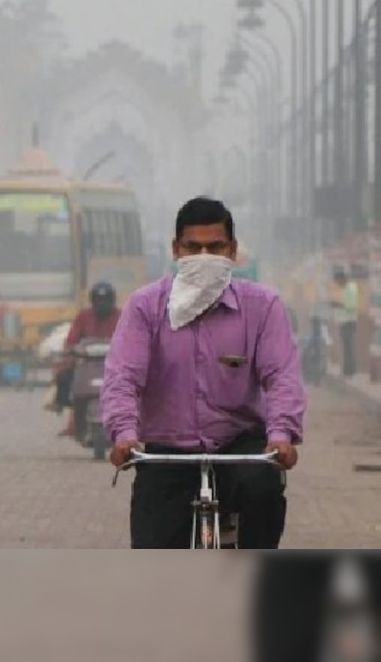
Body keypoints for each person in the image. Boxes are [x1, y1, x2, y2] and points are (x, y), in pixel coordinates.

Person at [102, 196, 306, 549]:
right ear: (176, 250)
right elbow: (123, 376)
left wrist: (282, 434)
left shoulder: (263, 306)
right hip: (167, 451)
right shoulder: (145, 307)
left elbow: (281, 376)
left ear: (232, 251)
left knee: (265, 493)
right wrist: (123, 433)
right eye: (193, 247)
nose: (204, 256)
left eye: (214, 247)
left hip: (239, 446)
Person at [50, 282, 121, 438]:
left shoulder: (121, 316)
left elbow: (131, 337)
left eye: (106, 300)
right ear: (93, 301)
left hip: (115, 364)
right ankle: (64, 404)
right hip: (86, 363)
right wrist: (72, 349)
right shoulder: (83, 317)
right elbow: (71, 339)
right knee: (64, 375)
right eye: (98, 300)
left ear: (112, 301)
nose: (102, 304)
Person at [330, 267, 360, 378]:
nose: (337, 283)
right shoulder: (346, 287)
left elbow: (351, 306)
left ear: (342, 278)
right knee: (346, 346)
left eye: (337, 280)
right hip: (344, 321)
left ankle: (349, 371)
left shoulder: (350, 288)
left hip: (349, 321)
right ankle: (347, 370)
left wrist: (338, 305)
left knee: (348, 347)